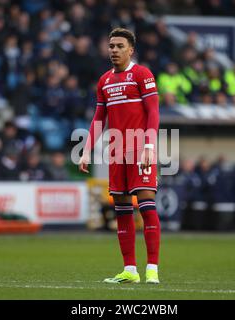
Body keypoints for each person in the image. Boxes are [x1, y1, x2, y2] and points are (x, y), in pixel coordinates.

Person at [79, 28, 161, 284]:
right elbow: (98, 119)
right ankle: (130, 270)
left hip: (139, 149)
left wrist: (149, 146)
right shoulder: (104, 81)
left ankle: (152, 270)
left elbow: (153, 112)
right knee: (122, 210)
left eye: (119, 46)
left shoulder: (142, 74)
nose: (114, 50)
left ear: (130, 49)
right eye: (111, 46)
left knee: (146, 207)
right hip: (116, 152)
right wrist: (86, 150)